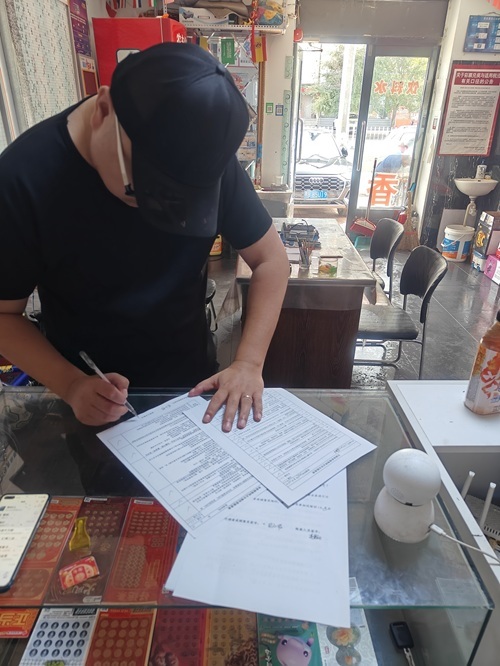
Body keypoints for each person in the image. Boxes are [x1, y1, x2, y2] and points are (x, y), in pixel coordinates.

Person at [0, 43, 290, 433]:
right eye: (142, 191)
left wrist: (249, 362)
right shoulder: (22, 182)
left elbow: (271, 261)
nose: (155, 211)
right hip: (87, 393)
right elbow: (4, 314)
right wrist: (70, 384)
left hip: (192, 385)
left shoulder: (202, 153)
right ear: (104, 110)